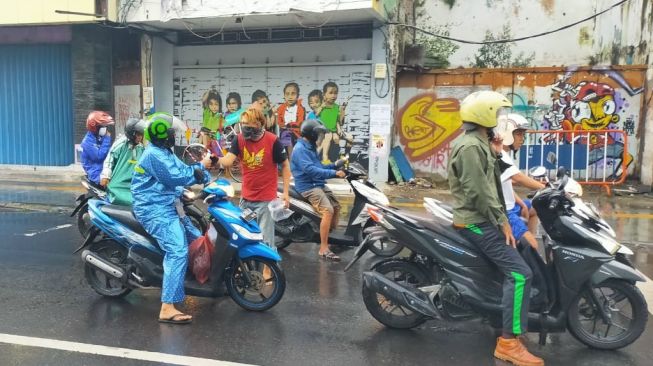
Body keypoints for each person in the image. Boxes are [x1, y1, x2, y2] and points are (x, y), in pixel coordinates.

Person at [448, 91, 544, 366]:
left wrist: (497, 151)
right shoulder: (470, 147)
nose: (498, 119)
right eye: (496, 114)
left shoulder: (480, 143)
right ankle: (508, 343)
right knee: (520, 274)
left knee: (524, 253)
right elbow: (479, 192)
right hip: (475, 222)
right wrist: (503, 222)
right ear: (484, 115)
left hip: (485, 218)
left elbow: (495, 176)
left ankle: (508, 320)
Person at [131, 113, 212, 324]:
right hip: (154, 208)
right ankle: (167, 307)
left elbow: (183, 169)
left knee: (196, 239)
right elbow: (175, 176)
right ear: (161, 135)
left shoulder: (164, 152)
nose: (173, 136)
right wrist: (197, 172)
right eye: (170, 133)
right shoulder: (153, 155)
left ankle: (187, 280)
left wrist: (202, 169)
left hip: (169, 204)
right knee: (177, 250)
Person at [217, 108, 290, 250]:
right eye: (243, 123)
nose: (245, 127)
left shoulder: (272, 140)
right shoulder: (239, 139)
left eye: (248, 124)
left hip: (265, 202)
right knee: (243, 235)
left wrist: (286, 193)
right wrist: (214, 160)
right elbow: (227, 161)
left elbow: (285, 166)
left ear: (259, 123)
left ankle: (268, 272)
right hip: (246, 200)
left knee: (266, 242)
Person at [291, 119, 347, 261]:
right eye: (318, 134)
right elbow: (311, 171)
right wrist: (334, 173)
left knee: (336, 207)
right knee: (328, 211)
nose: (320, 137)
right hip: (308, 186)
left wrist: (334, 165)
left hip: (317, 183)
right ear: (311, 134)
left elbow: (319, 167)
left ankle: (330, 237)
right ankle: (323, 248)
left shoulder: (310, 146)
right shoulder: (300, 149)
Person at [493, 114, 546, 249]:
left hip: (511, 206)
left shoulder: (503, 153)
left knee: (536, 207)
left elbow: (506, 185)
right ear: (507, 134)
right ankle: (529, 247)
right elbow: (518, 177)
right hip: (505, 211)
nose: (522, 139)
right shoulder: (500, 155)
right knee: (533, 246)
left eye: (523, 135)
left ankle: (525, 247)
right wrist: (546, 189)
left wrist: (521, 203)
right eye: (519, 135)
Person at [99, 117, 147, 205]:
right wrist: (105, 176)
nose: (140, 137)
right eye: (138, 134)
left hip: (133, 183)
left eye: (141, 134)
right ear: (132, 133)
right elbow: (110, 159)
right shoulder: (121, 143)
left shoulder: (141, 147)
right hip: (118, 185)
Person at [317, 82, 353, 163]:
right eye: (330, 93)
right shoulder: (322, 106)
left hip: (333, 131)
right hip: (323, 131)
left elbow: (340, 122)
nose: (333, 96)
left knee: (348, 139)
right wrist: (321, 107)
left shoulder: (337, 107)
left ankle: (343, 158)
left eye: (335, 93)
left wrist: (343, 110)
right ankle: (324, 158)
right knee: (328, 137)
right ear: (324, 95)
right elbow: (315, 115)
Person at [81, 111, 114, 185]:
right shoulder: (87, 142)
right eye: (102, 127)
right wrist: (107, 139)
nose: (105, 129)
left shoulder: (99, 138)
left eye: (105, 127)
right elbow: (99, 157)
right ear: (94, 127)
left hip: (105, 172)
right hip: (97, 175)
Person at [276, 82, 306, 157]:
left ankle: (291, 161)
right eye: (287, 94)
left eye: (293, 94)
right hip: (284, 132)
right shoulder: (281, 108)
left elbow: (300, 122)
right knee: (286, 134)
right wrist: (283, 125)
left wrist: (290, 125)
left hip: (296, 132)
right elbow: (279, 121)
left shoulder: (300, 108)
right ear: (284, 96)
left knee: (287, 135)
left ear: (297, 96)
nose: (290, 97)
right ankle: (288, 159)